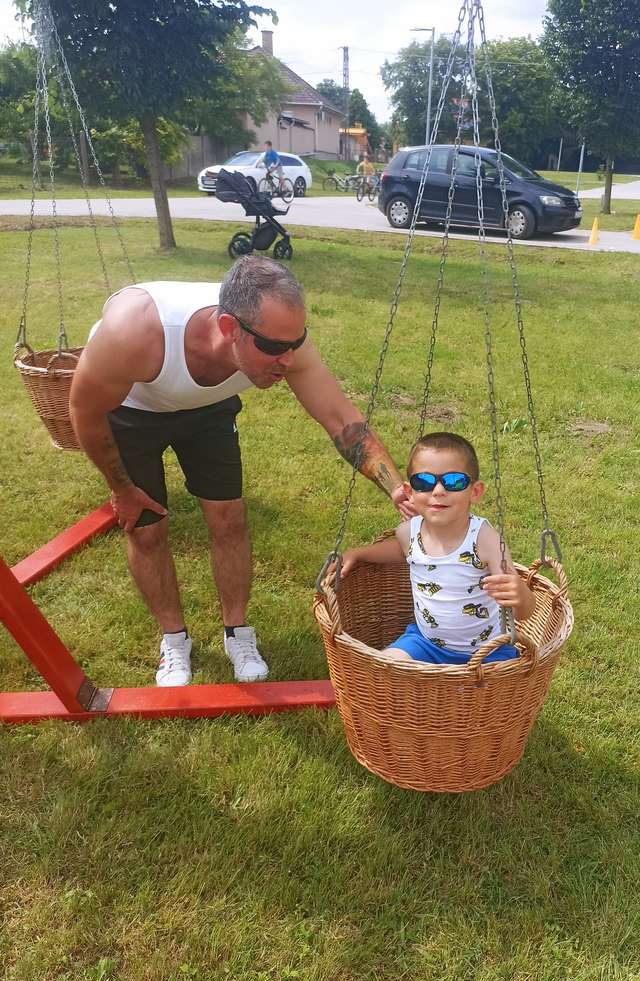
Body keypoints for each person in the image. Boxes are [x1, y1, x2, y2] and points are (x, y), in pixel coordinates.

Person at [70, 256, 412, 687]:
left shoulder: (280, 343)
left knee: (229, 518)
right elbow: (84, 411)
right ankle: (174, 639)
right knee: (146, 528)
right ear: (229, 328)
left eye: (296, 342)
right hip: (132, 408)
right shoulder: (136, 332)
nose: (288, 359)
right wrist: (121, 489)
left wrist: (395, 487)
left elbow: (343, 422)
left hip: (207, 408)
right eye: (273, 347)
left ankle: (237, 632)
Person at [337, 432, 534, 664]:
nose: (438, 491)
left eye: (453, 481)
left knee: (496, 684)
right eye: (424, 482)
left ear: (475, 491)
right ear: (410, 492)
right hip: (425, 644)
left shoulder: (485, 540)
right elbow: (400, 551)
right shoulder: (409, 533)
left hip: (488, 651)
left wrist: (520, 595)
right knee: (384, 667)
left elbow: (522, 612)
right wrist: (359, 554)